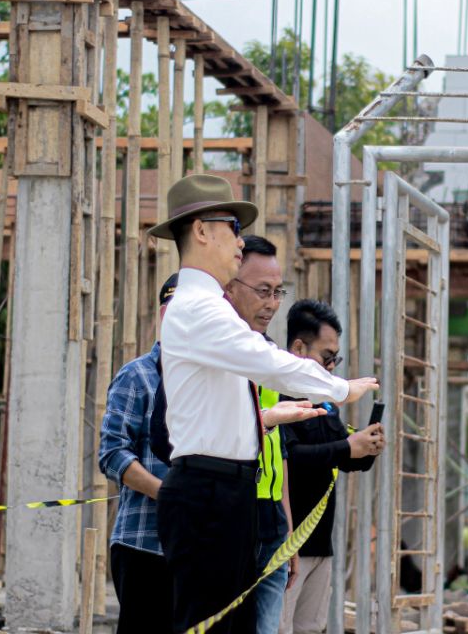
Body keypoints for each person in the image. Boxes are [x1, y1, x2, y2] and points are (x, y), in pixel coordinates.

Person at [151, 174, 379, 634]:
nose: (240, 240)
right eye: (233, 226)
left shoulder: (207, 307)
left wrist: (268, 418)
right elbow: (266, 360)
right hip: (208, 490)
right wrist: (338, 388)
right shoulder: (200, 307)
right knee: (209, 623)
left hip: (226, 488)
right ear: (200, 230)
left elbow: (214, 407)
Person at [277, 299, 383, 634]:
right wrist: (346, 446)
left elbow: (345, 458)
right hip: (287, 543)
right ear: (298, 347)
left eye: (336, 358)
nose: (332, 366)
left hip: (320, 544)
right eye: (327, 357)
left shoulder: (323, 402)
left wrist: (366, 448)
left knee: (311, 628)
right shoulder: (277, 396)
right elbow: (289, 457)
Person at [98, 274, 179, 634]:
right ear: (165, 316)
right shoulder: (138, 377)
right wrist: (167, 494)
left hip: (193, 547)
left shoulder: (210, 381)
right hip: (143, 544)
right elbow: (113, 453)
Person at [224, 235, 297, 634]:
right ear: (230, 287)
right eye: (263, 291)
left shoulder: (267, 354)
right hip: (230, 509)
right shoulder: (215, 352)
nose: (271, 304)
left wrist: (287, 527)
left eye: (277, 292)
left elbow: (278, 450)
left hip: (270, 516)